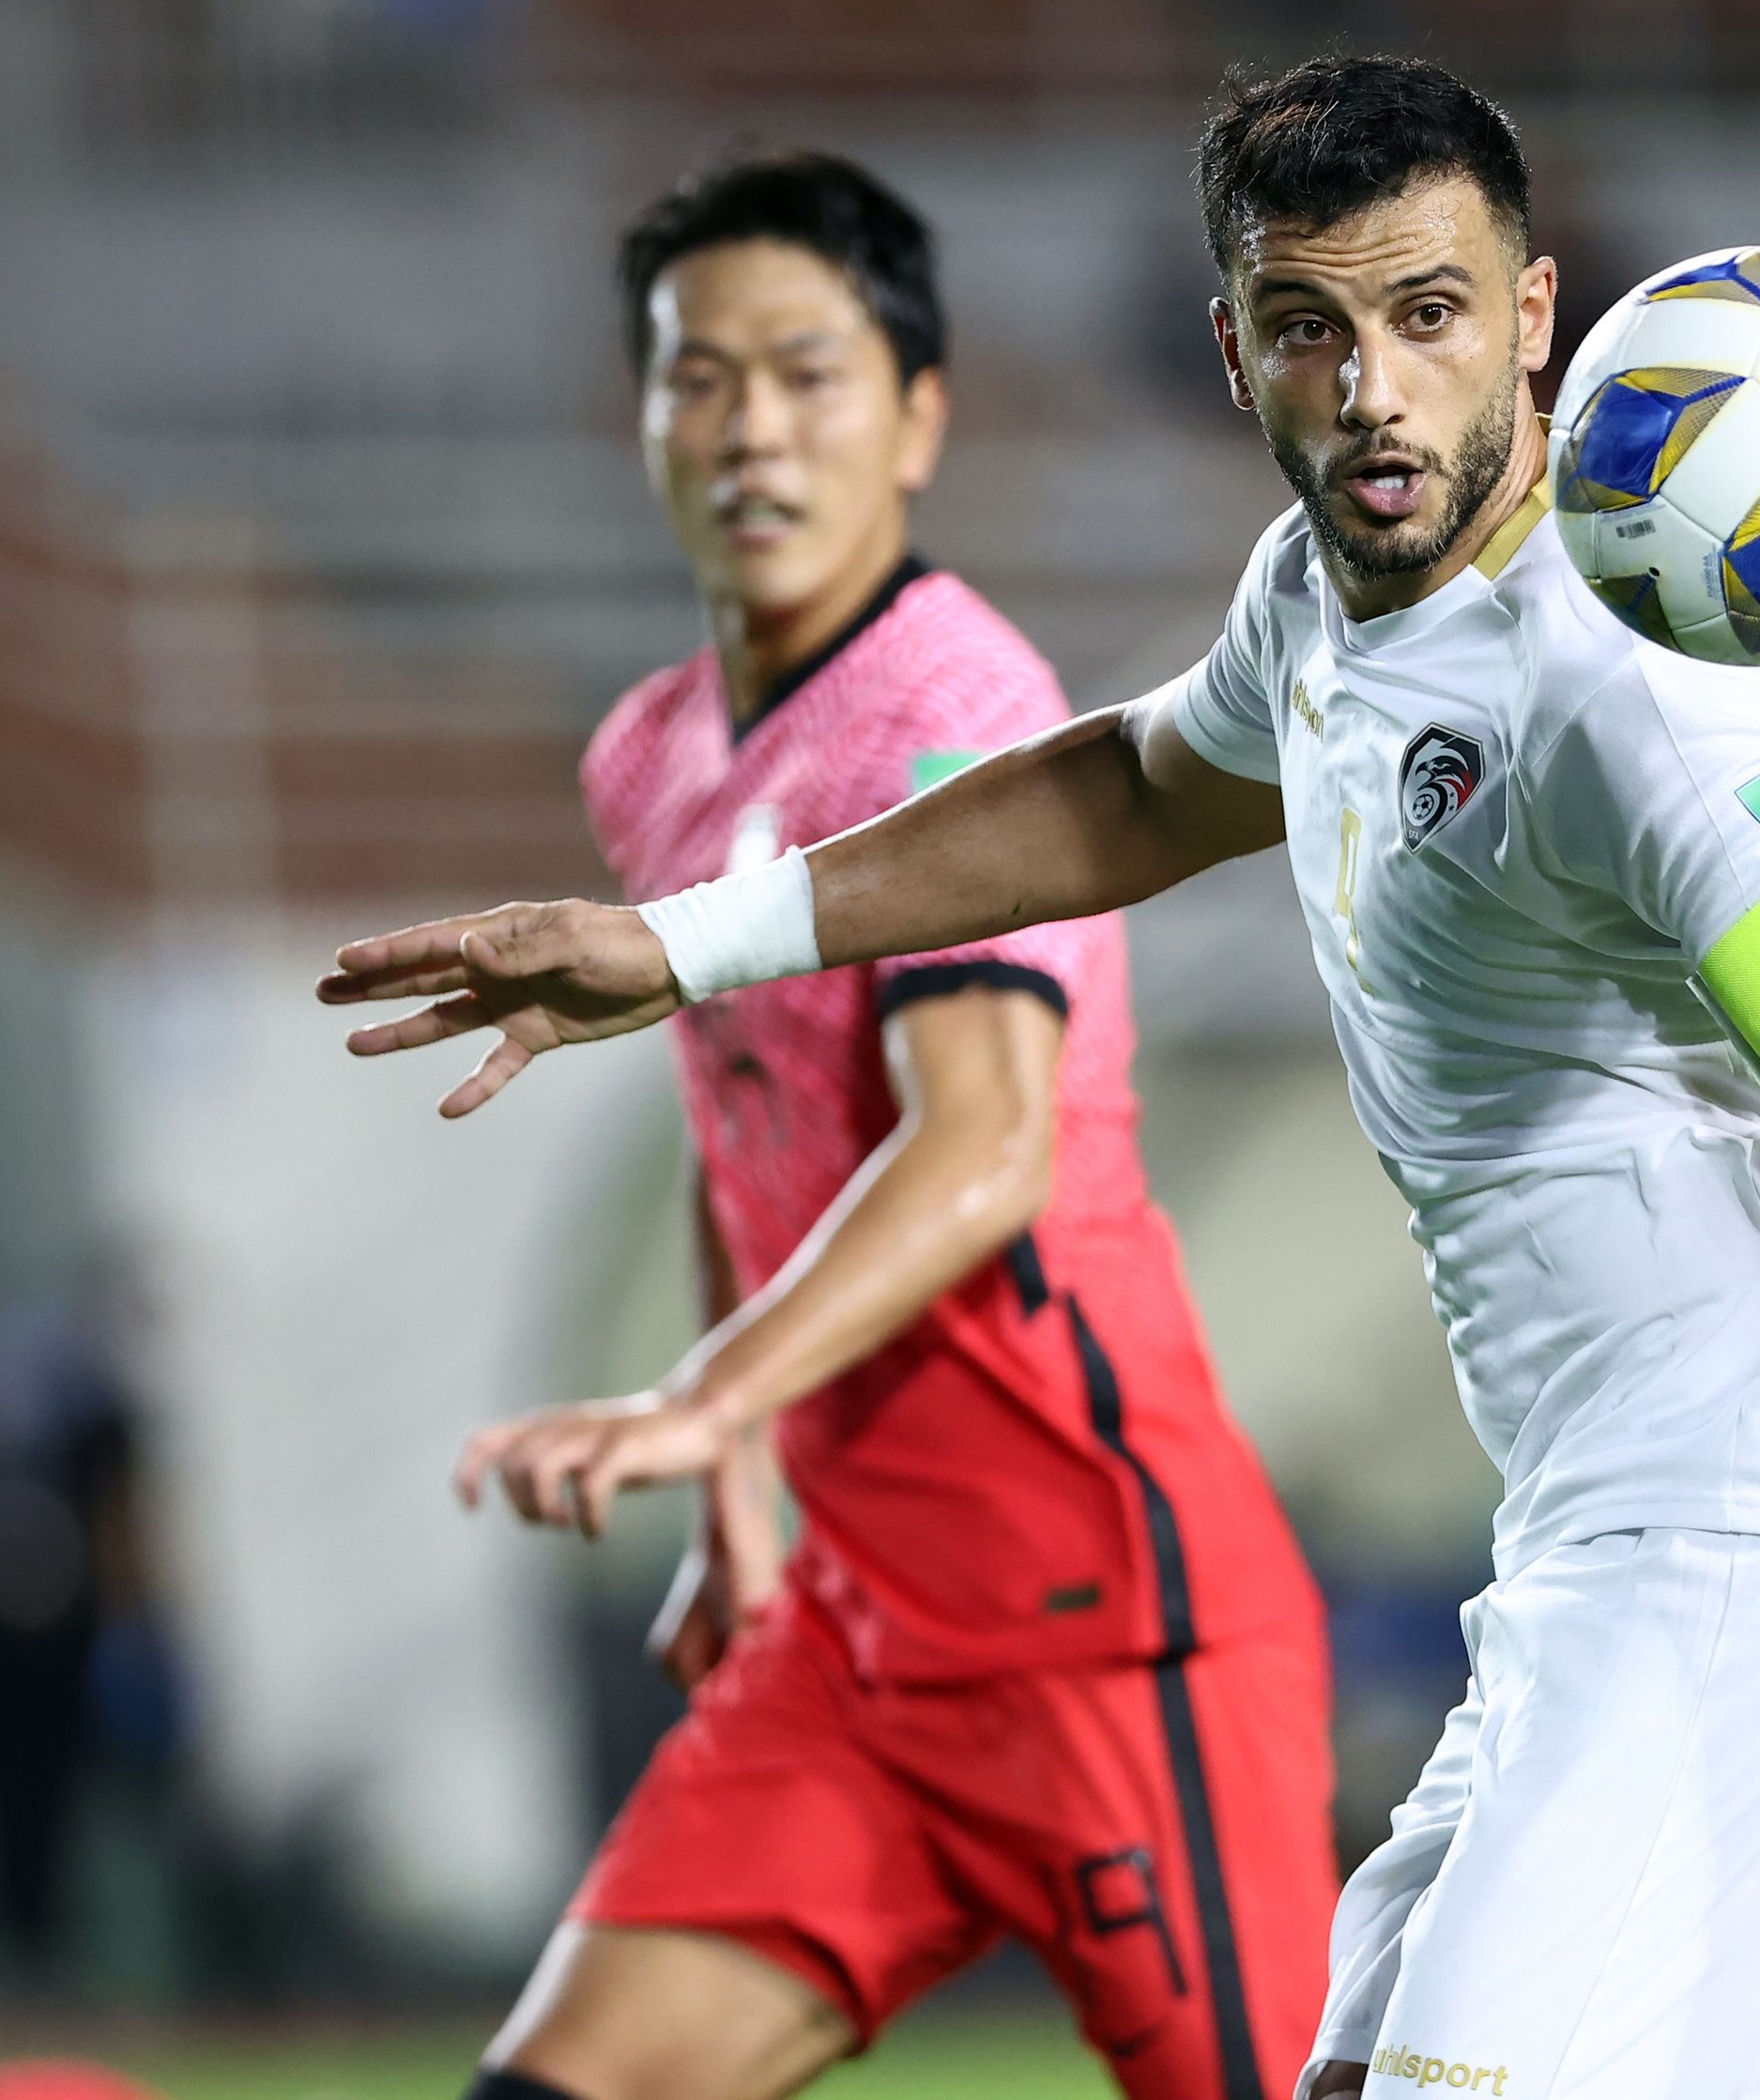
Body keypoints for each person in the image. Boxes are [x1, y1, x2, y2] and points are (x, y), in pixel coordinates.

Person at [321, 59, 1760, 2100]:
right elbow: (1140, 787)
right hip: (1598, 1537)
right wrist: (679, 943)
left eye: (1428, 318)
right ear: (1234, 338)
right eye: (1312, 331)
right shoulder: (1315, 596)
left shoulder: (1643, 689)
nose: (1370, 393)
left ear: (1532, 319)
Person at [410, 149, 1337, 2100]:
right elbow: (735, 1126)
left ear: (917, 417)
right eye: (698, 376)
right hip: (854, 1635)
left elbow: (981, 1144)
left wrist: (705, 1406)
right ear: (644, 415)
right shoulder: (652, 746)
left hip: (1105, 1621)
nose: (749, 426)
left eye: (807, 373)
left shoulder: (958, 709)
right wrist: (740, 1476)